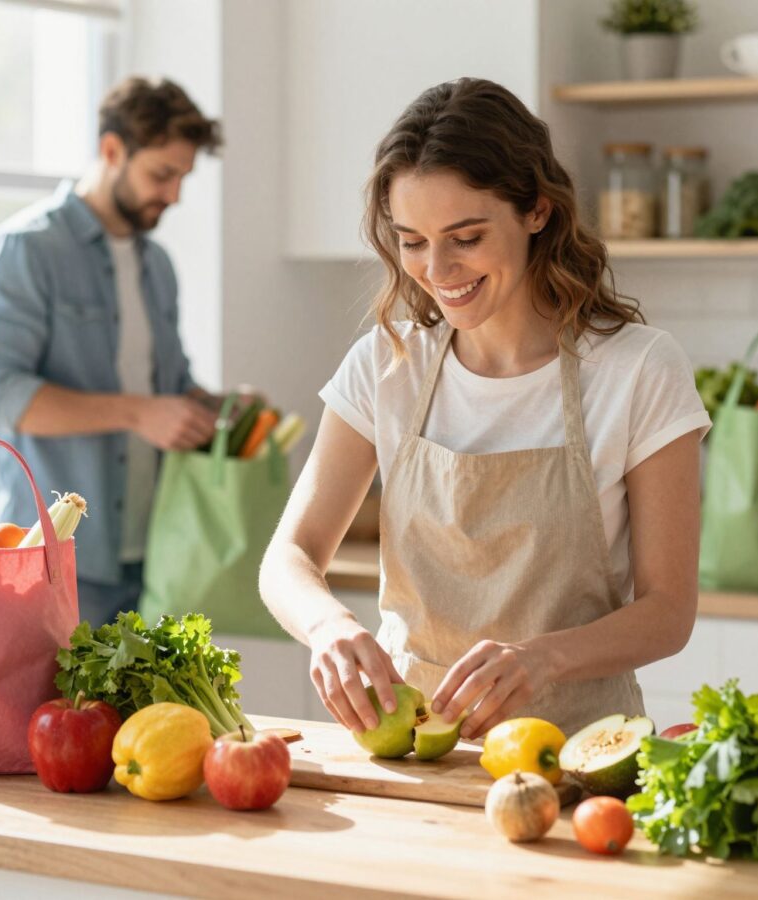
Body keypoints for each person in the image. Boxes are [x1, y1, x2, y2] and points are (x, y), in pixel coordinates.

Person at [260, 78, 708, 740]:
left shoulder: (638, 370)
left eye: (465, 237)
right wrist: (329, 628)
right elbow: (288, 556)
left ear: (537, 211)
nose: (437, 269)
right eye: (411, 240)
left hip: (581, 755)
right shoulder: (385, 367)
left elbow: (669, 611)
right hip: (413, 754)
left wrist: (541, 659)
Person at [0, 77, 224, 627]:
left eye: (183, 176)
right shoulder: (27, 249)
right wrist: (138, 412)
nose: (174, 194)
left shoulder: (157, 266)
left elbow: (171, 387)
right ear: (112, 151)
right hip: (51, 565)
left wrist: (217, 406)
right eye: (162, 174)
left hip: (154, 559)